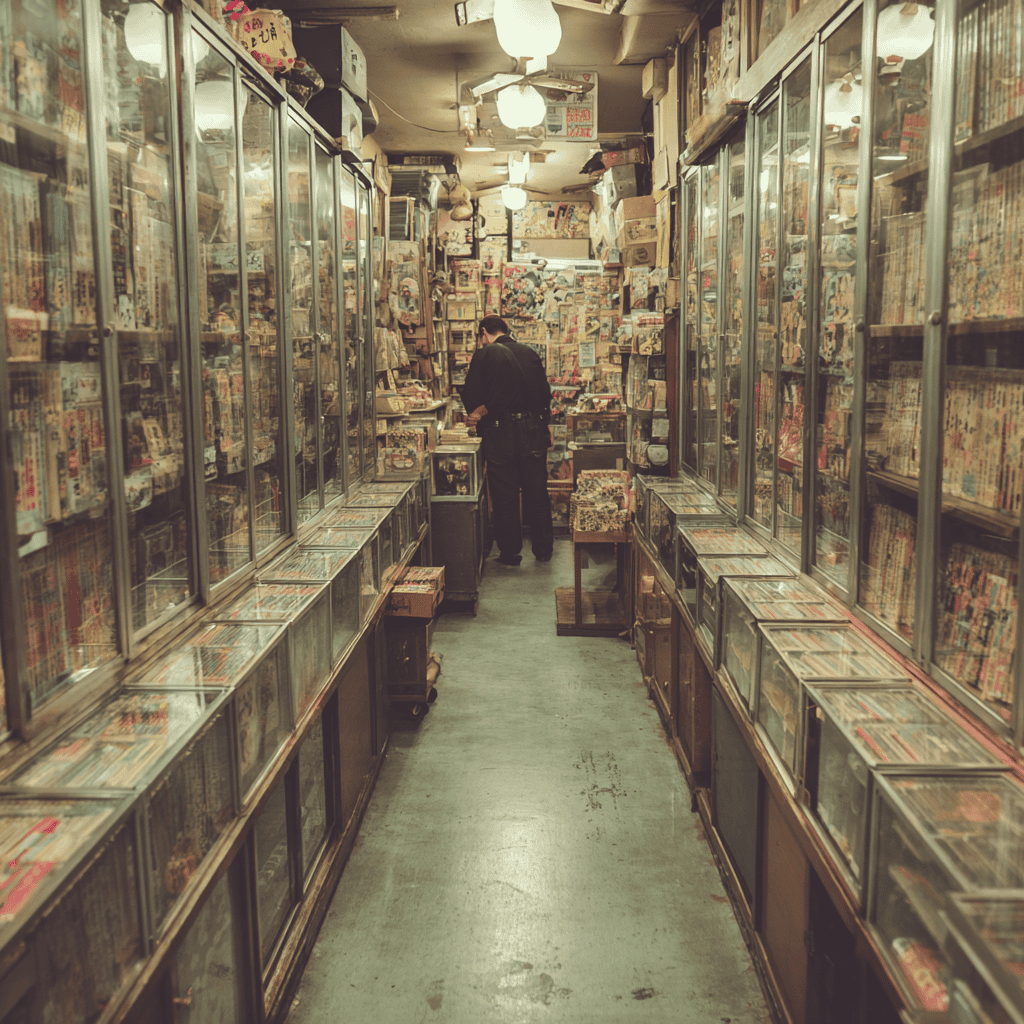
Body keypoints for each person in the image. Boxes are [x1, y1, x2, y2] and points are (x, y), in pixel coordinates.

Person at [462, 315, 553, 565]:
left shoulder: (484, 355)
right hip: (531, 431)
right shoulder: (530, 353)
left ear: (484, 332)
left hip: (500, 432)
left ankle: (511, 552)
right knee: (537, 491)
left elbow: (472, 395)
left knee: (505, 493)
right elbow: (545, 394)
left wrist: (479, 414)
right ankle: (544, 549)